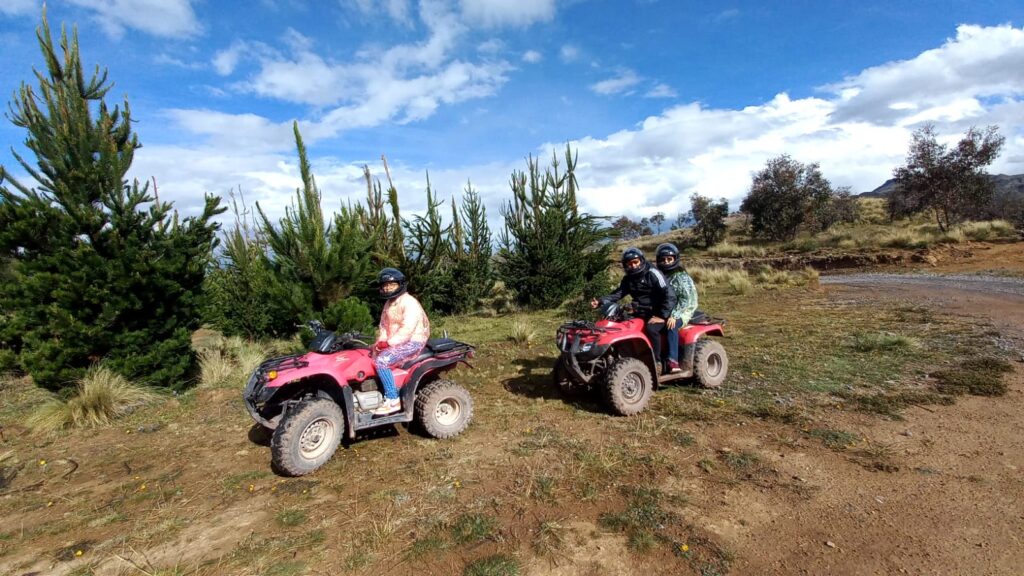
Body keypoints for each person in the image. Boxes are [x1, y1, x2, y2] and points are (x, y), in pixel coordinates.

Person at [591, 247, 677, 373]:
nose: (633, 265)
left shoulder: (653, 273)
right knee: (622, 326)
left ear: (641, 260)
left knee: (651, 329)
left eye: (635, 262)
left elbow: (669, 295)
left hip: (658, 312)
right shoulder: (628, 279)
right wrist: (600, 301)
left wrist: (662, 315)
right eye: (629, 263)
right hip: (641, 312)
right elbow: (618, 294)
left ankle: (657, 362)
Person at [372, 267, 430, 415]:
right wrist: (381, 342)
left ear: (400, 284)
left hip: (413, 340)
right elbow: (384, 325)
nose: (387, 288)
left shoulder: (409, 302)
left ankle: (393, 399)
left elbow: (408, 328)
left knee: (382, 361)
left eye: (391, 284)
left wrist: (389, 344)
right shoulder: (389, 303)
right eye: (385, 285)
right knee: (371, 355)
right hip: (396, 340)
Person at [655, 243, 698, 374]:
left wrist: (674, 315)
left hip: (683, 309)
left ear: (675, 259)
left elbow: (685, 299)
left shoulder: (680, 276)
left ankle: (673, 361)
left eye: (669, 259)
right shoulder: (661, 274)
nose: (666, 262)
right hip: (667, 308)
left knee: (671, 325)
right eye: (663, 259)